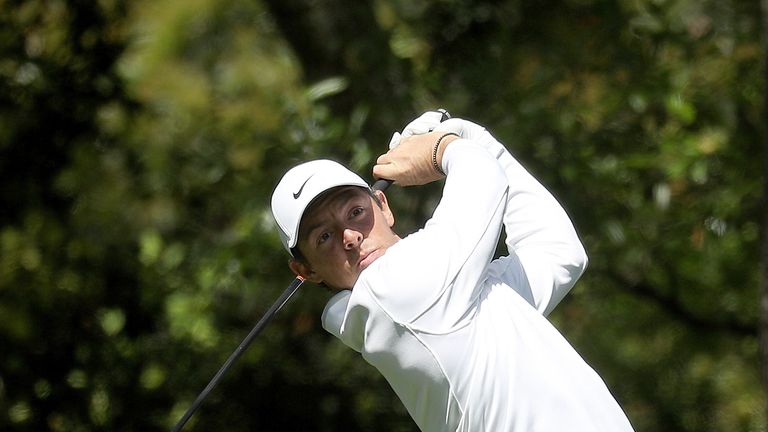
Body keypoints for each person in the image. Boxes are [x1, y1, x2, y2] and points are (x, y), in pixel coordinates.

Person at [270, 112, 634, 431]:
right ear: (305, 270)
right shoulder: (391, 294)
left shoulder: (453, 298)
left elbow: (557, 253)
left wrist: (469, 138)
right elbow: (482, 179)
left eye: (355, 212)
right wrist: (445, 146)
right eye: (324, 237)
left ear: (383, 205)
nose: (350, 238)